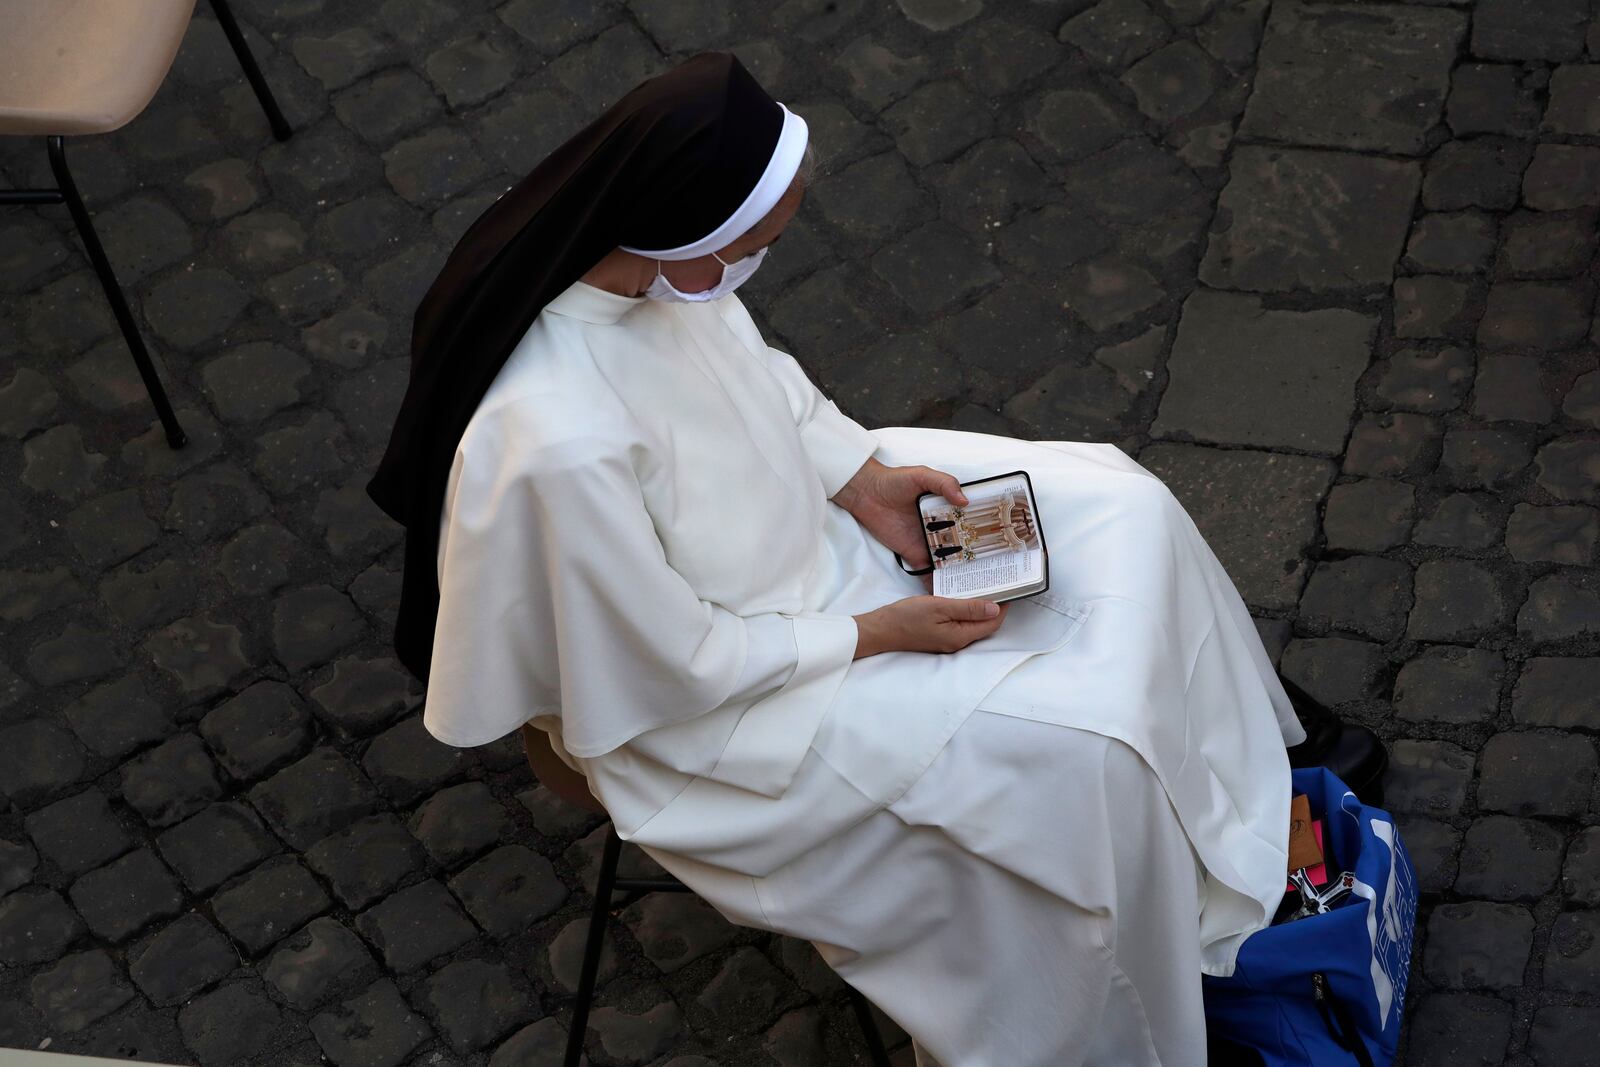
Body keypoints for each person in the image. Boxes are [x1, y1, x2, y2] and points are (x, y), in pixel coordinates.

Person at [367, 52, 1308, 1067]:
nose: (754, 268)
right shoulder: (558, 441)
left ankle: (1214, 823)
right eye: (752, 247)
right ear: (687, 242)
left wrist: (860, 478)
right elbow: (668, 664)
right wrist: (873, 633)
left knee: (1128, 506)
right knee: (1085, 750)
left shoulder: (646, 266)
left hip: (806, 547)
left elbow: (755, 380)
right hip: (739, 706)